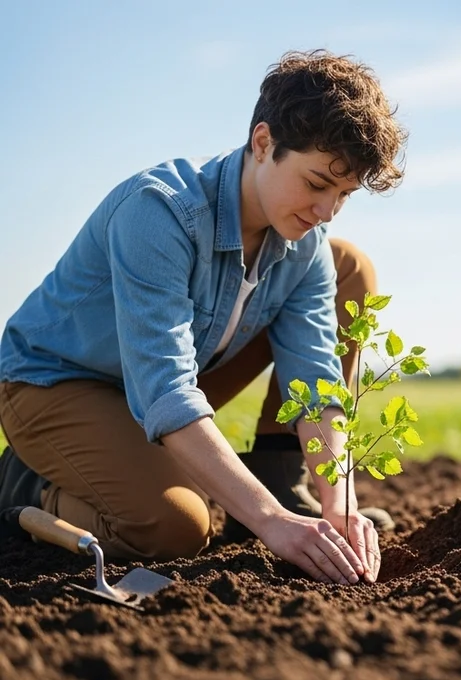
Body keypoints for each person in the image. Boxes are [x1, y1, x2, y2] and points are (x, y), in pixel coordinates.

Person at [0, 49, 408, 585]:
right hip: (54, 384)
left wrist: (341, 502)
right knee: (175, 529)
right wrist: (269, 520)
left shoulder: (306, 245)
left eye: (344, 195)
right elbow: (166, 389)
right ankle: (26, 484)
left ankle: (277, 477)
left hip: (158, 386)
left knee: (349, 263)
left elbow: (315, 379)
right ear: (263, 143)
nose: (326, 211)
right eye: (315, 184)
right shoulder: (160, 211)